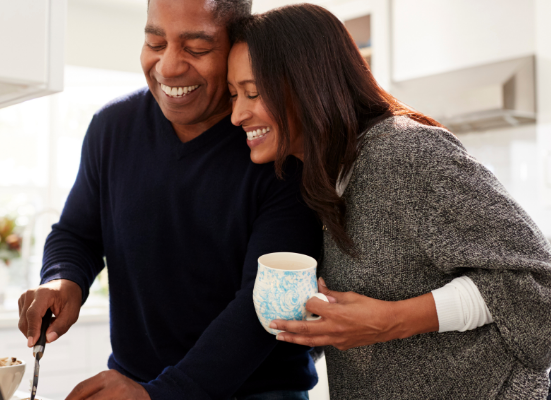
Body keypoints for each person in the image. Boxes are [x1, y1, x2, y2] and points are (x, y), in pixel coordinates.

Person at [227, 4, 551, 399]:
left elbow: (536, 286)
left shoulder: (404, 153)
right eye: (233, 95)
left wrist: (391, 320)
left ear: (309, 82)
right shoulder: (317, 178)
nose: (237, 114)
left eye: (253, 92)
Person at [17, 1, 324, 399]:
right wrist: (63, 280)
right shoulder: (112, 128)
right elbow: (77, 233)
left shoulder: (278, 145)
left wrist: (160, 394)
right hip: (138, 384)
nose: (168, 67)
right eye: (154, 42)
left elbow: (260, 306)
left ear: (237, 46)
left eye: (196, 49)